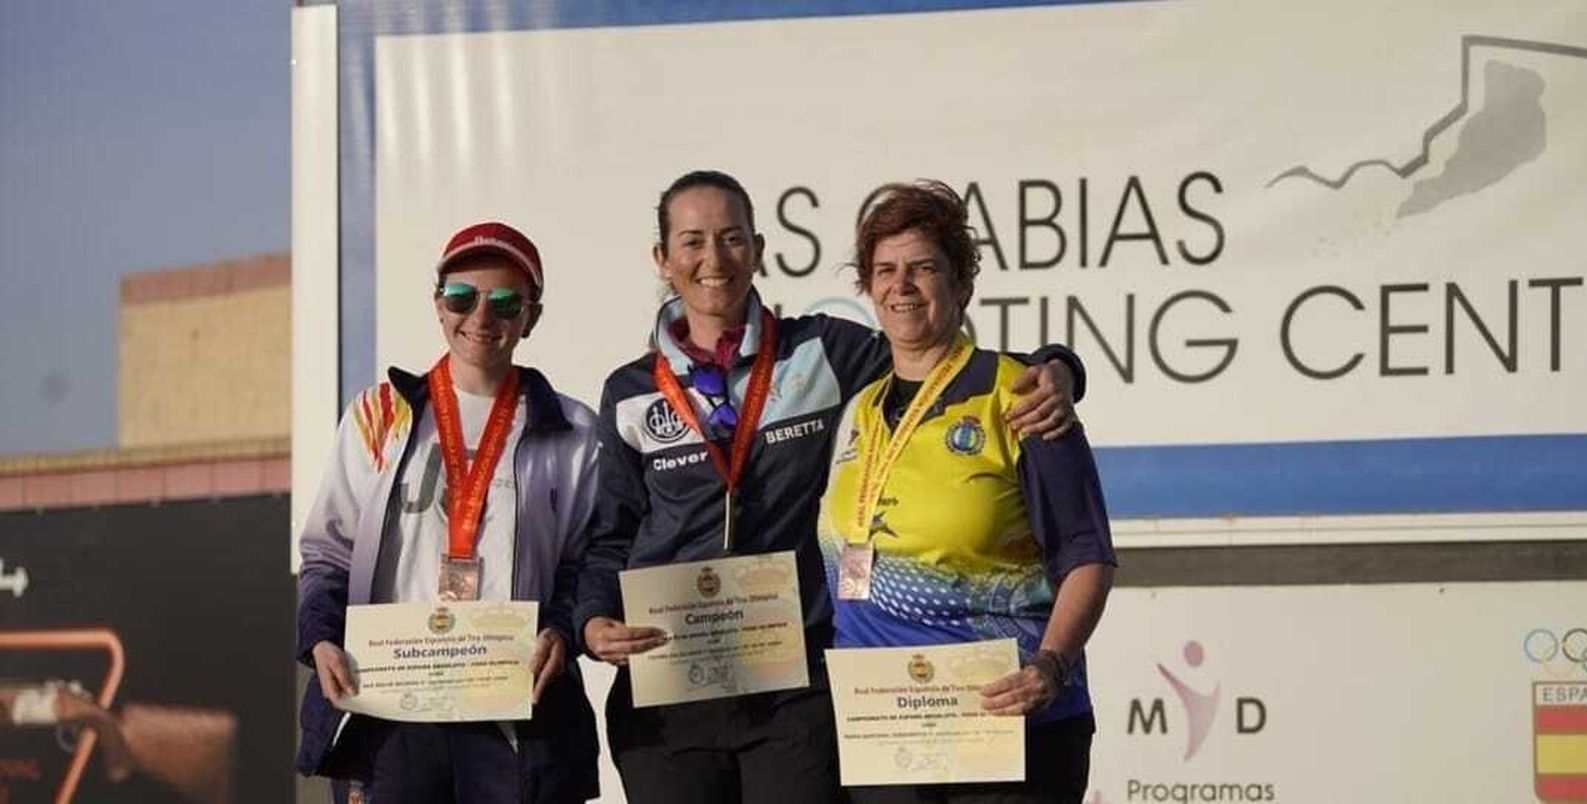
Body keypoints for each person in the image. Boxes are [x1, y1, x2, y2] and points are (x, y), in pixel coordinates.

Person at [573, 170, 1087, 803]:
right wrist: (593, 621)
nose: (714, 259)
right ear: (663, 258)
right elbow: (612, 533)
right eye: (693, 241)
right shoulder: (630, 391)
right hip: (669, 688)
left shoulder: (825, 350)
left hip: (795, 691)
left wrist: (1059, 366)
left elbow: (936, 355)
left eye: (732, 238)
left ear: (759, 250)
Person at [817, 180, 1116, 803]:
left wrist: (1051, 667)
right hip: (885, 732)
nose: (902, 285)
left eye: (924, 268)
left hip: (1007, 720)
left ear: (962, 286)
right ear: (869, 289)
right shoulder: (858, 409)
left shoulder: (1024, 397)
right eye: (885, 270)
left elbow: (1086, 553)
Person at [295, 222, 600, 803]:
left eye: (506, 302)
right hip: (390, 706)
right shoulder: (380, 413)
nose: (481, 317)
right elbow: (327, 552)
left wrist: (561, 630)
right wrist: (322, 639)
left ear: (531, 318)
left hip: (511, 711)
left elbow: (583, 563)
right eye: (462, 297)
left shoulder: (575, 430)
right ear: (438, 305)